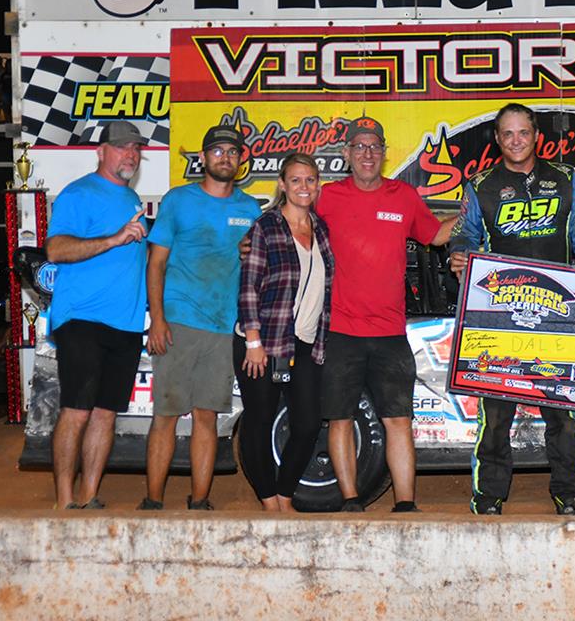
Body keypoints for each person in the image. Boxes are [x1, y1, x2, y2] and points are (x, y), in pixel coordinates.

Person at [448, 103, 575, 516]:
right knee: (495, 415)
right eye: (507, 134)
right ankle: (488, 495)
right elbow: (463, 235)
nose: (515, 141)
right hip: (499, 318)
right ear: (497, 138)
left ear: (535, 135)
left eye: (523, 133)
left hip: (559, 315)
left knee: (563, 413)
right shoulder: (481, 185)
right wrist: (459, 255)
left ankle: (570, 494)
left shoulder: (565, 179)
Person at [317, 115, 455, 513]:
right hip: (340, 330)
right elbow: (293, 223)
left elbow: (434, 235)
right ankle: (350, 501)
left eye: (374, 147)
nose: (367, 153)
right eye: (359, 146)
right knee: (340, 419)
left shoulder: (404, 196)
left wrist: (481, 208)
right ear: (346, 154)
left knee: (398, 420)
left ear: (383, 154)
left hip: (391, 333)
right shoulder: (327, 196)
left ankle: (405, 504)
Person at [137, 125, 261, 511]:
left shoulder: (250, 209)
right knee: (167, 415)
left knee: (206, 417)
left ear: (242, 161)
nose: (226, 157)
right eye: (218, 151)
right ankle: (153, 502)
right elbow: (155, 263)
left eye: (233, 152)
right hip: (178, 323)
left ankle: (200, 501)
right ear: (203, 158)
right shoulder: (178, 200)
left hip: (224, 328)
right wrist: (157, 319)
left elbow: (257, 264)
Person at [45, 120, 149, 509]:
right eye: (122, 147)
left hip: (125, 323)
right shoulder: (79, 193)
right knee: (77, 411)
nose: (131, 155)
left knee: (105, 414)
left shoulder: (131, 201)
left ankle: (89, 496)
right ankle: (64, 500)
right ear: (101, 151)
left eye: (136, 149)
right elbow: (55, 250)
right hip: (83, 320)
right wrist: (113, 239)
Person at [236, 153, 333, 512]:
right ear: (282, 184)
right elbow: (248, 287)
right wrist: (253, 341)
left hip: (305, 344)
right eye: (295, 180)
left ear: (317, 185)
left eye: (310, 180)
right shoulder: (265, 227)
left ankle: (285, 494)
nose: (303, 187)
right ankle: (268, 500)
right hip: (262, 342)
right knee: (258, 422)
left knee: (307, 424)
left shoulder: (322, 230)